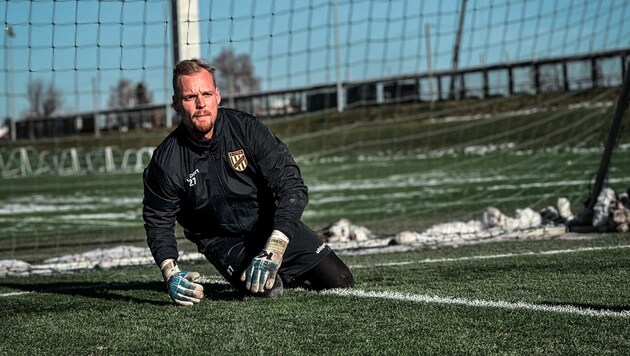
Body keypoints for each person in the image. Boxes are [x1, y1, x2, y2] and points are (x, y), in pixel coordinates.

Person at [142, 58, 354, 306]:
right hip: (222, 240)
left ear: (218, 96)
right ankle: (276, 275)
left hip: (269, 226)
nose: (201, 103)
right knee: (267, 291)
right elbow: (158, 221)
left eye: (206, 93)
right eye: (190, 97)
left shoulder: (247, 129)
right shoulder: (166, 161)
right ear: (176, 104)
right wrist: (170, 272)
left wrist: (275, 246)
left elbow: (291, 186)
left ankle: (282, 264)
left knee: (340, 281)